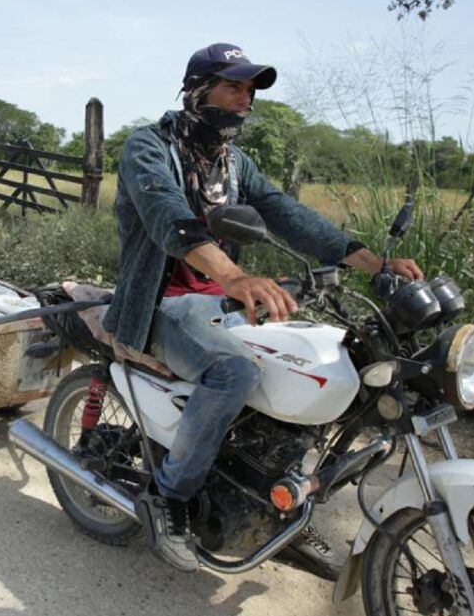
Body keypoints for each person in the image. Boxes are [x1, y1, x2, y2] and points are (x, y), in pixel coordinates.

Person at [101, 43, 424, 572]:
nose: (245, 101)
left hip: (221, 301)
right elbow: (168, 217)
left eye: (250, 92)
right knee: (232, 373)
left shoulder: (234, 162)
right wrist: (234, 276)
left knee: (317, 368)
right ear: (198, 89)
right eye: (234, 87)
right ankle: (170, 500)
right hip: (161, 304)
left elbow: (284, 212)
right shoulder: (149, 146)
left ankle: (281, 498)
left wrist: (372, 261)